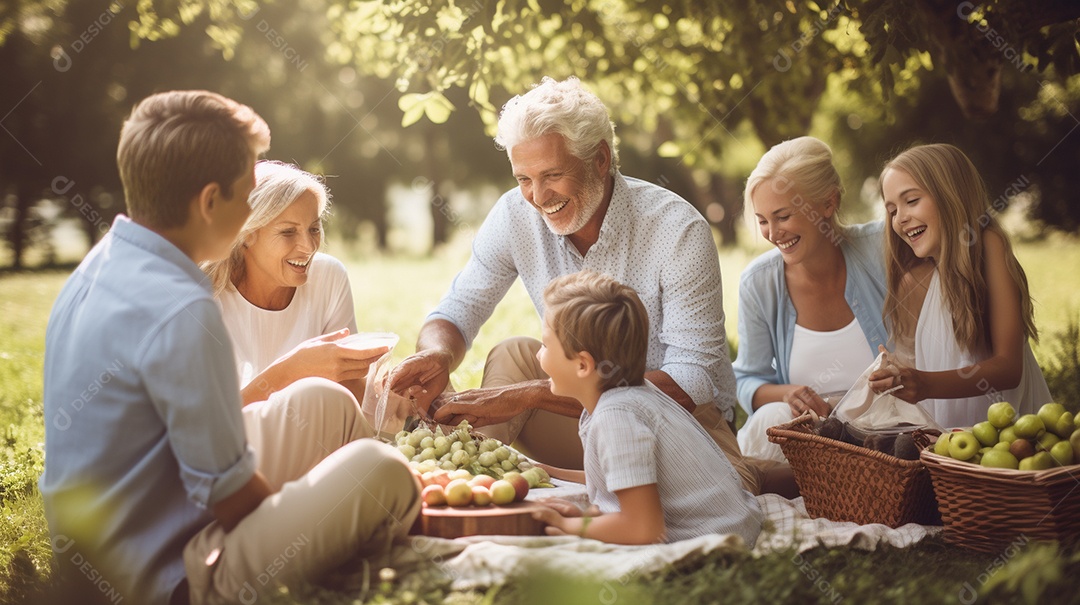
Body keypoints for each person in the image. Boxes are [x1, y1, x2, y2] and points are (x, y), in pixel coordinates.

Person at [39, 90, 419, 605]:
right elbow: (233, 499)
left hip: (133, 523)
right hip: (171, 574)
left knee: (323, 401)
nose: (249, 210)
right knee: (386, 473)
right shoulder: (183, 308)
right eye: (245, 195)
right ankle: (390, 535)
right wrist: (305, 508)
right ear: (209, 201)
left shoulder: (103, 263)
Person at [388, 76, 760, 494]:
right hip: (579, 424)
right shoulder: (514, 215)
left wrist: (528, 396)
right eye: (523, 178)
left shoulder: (676, 229)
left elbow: (691, 383)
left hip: (680, 429)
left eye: (552, 174)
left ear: (600, 158)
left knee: (725, 492)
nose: (538, 196)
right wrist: (438, 354)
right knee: (514, 353)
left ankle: (609, 486)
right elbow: (456, 310)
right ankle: (471, 482)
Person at [529, 271, 763, 545]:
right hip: (736, 523)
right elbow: (622, 481)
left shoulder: (616, 417)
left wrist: (569, 527)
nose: (538, 354)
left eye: (545, 345)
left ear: (583, 365)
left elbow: (643, 529)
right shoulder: (634, 394)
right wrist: (544, 471)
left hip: (716, 540)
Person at [868, 143, 1051, 427]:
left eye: (912, 201)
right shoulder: (914, 281)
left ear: (949, 195)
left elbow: (1009, 368)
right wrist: (896, 376)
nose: (900, 218)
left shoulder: (988, 246)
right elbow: (917, 374)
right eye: (891, 210)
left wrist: (926, 384)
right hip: (948, 447)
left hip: (1010, 438)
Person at [733, 137, 889, 462]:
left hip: (888, 440)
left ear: (828, 204)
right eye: (763, 220)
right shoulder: (759, 283)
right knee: (770, 418)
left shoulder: (882, 250)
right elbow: (747, 379)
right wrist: (788, 393)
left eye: (783, 216)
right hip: (813, 450)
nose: (773, 234)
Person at [203, 160, 388, 405]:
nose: (309, 247)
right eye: (288, 232)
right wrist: (291, 371)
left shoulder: (328, 277)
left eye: (314, 228)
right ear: (246, 235)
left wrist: (393, 395)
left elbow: (348, 391)